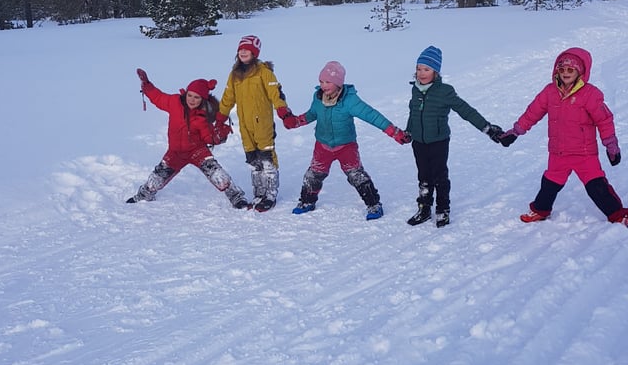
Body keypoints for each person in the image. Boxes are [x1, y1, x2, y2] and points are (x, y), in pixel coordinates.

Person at [501, 47, 628, 226]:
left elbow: (604, 120)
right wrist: (516, 131)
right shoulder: (549, 92)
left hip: (583, 153)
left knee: (596, 186)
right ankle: (541, 210)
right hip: (558, 152)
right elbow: (532, 113)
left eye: (571, 70)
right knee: (549, 183)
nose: (565, 73)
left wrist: (611, 146)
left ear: (580, 71)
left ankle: (617, 213)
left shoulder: (590, 94)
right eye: (562, 69)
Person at [281, 60, 410, 220]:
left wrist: (394, 132)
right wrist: (295, 121)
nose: (323, 85)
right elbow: (312, 114)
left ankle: (374, 204)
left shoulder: (350, 100)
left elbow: (372, 116)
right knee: (313, 175)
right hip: (322, 146)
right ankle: (307, 202)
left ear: (338, 83)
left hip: (346, 147)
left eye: (328, 81)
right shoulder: (318, 97)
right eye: (321, 81)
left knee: (356, 175)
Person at [403, 46, 512, 228]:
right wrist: (409, 132)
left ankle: (443, 209)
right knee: (423, 176)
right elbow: (413, 112)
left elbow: (466, 110)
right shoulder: (415, 90)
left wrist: (487, 128)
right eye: (419, 69)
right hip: (419, 142)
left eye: (427, 69)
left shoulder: (445, 91)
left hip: (438, 141)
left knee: (439, 177)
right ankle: (424, 208)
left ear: (435, 72)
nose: (422, 73)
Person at [126, 68, 251, 209]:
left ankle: (236, 197)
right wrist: (146, 84)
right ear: (186, 93)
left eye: (197, 97)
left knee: (219, 176)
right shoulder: (174, 102)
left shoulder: (203, 116)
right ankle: (144, 194)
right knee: (155, 180)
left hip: (197, 152)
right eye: (190, 95)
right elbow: (158, 97)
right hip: (175, 153)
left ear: (202, 99)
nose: (192, 100)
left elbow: (209, 138)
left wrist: (220, 135)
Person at [218, 35, 294, 212]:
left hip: (262, 123)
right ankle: (259, 193)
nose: (243, 52)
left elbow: (276, 93)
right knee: (252, 159)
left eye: (248, 49)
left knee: (266, 158)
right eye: (241, 49)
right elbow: (228, 97)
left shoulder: (264, 72)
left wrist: (283, 112)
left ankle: (270, 194)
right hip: (245, 124)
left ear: (255, 52)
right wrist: (221, 116)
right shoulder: (234, 75)